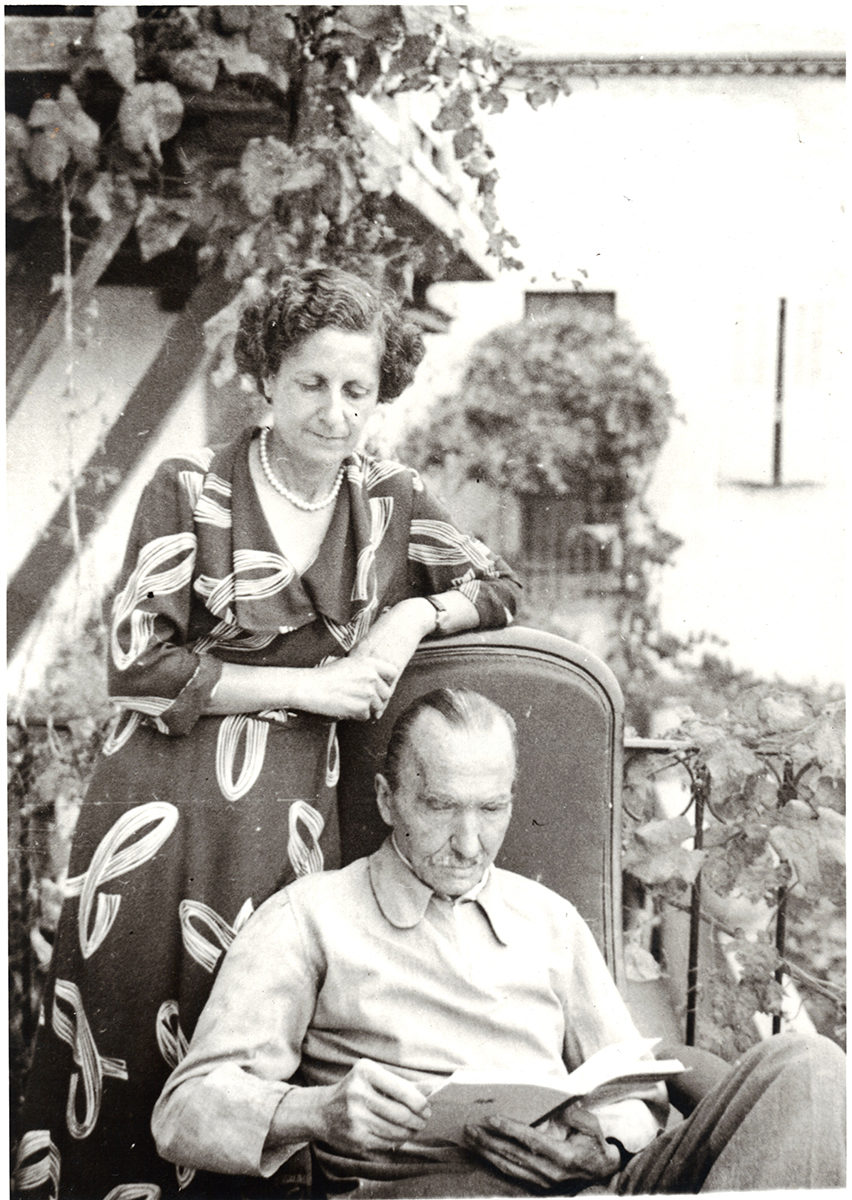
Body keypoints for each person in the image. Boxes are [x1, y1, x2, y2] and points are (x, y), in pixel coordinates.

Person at [14, 269, 521, 1200]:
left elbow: (499, 585)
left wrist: (406, 620)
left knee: (253, 1048)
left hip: (282, 825)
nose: (334, 412)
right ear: (267, 380)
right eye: (311, 384)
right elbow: (139, 666)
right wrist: (317, 688)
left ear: (381, 393)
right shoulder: (191, 488)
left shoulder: (389, 500)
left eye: (356, 390)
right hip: (156, 818)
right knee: (121, 1053)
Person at [151, 689, 846, 1197]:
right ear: (390, 800)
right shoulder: (310, 917)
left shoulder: (547, 919)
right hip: (433, 1189)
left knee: (808, 1066)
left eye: (492, 808)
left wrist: (602, 1145)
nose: (470, 842)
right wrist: (315, 1112)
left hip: (587, 1190)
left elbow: (628, 1086)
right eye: (441, 806)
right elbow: (184, 1111)